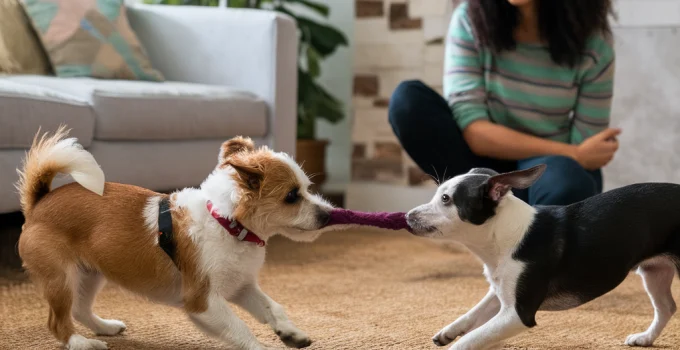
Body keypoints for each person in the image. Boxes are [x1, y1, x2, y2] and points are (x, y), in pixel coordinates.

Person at [388, 0, 618, 206]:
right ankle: (485, 210)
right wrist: (576, 153)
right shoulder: (470, 19)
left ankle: (526, 229)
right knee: (407, 102)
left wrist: (576, 156)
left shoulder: (594, 43)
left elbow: (590, 152)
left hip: (549, 171)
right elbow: (476, 133)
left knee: (568, 181)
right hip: (483, 169)